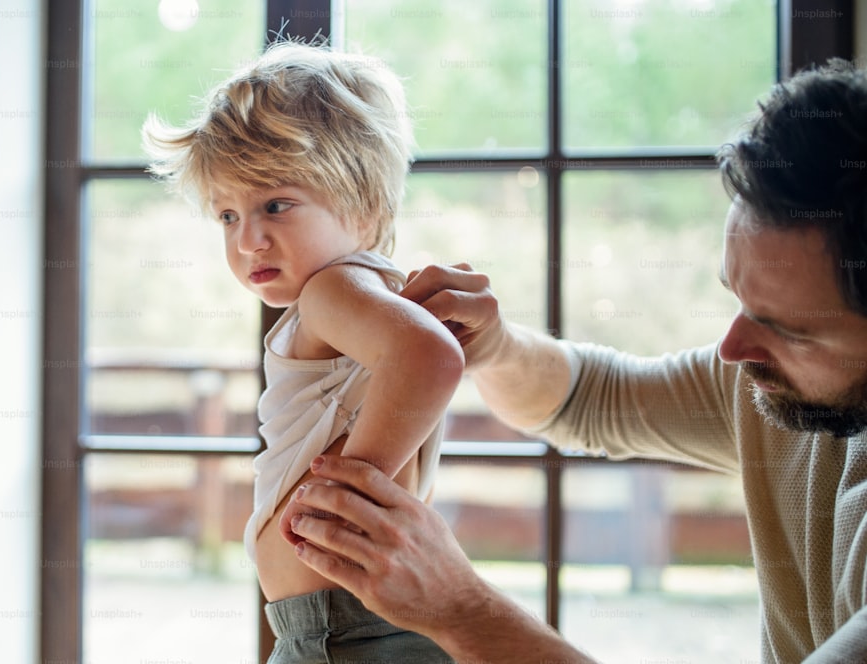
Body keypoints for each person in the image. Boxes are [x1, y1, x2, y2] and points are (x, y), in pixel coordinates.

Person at [284, 58, 867, 663]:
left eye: (788, 330)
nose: (733, 349)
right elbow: (593, 397)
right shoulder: (775, 384)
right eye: (737, 298)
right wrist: (498, 346)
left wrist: (463, 611)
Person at [142, 42, 463, 662]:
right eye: (228, 216)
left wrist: (342, 500)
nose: (249, 239)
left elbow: (432, 358)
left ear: (365, 206)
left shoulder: (333, 290)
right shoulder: (356, 293)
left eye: (276, 205)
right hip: (340, 624)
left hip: (344, 630)